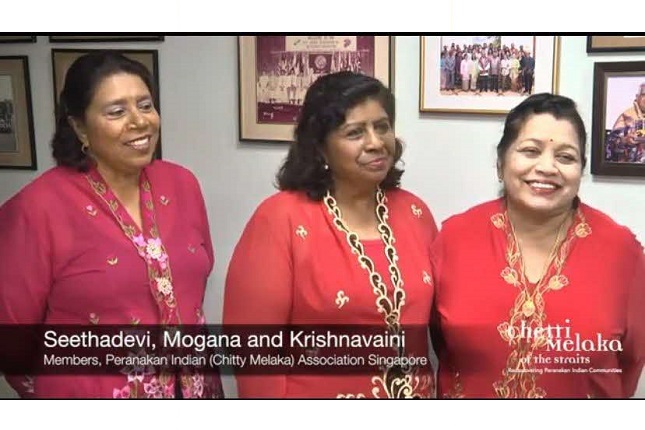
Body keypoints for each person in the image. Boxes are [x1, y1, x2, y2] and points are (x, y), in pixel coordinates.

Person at [0, 51, 222, 398]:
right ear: (78, 126)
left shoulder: (182, 184)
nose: (139, 121)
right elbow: (12, 338)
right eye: (116, 112)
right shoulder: (37, 207)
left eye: (145, 105)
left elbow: (193, 286)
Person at [223, 71, 438, 398]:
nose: (376, 142)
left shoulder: (415, 213)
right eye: (355, 132)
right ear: (320, 148)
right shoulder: (280, 218)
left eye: (382, 126)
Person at [430, 93, 645, 398]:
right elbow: (442, 342)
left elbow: (630, 360)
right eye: (530, 151)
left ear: (580, 170)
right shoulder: (453, 238)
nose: (547, 167)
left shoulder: (622, 251)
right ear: (500, 162)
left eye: (566, 157)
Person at [609, 83, 645, 163]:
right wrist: (625, 140)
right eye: (644, 95)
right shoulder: (627, 116)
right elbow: (611, 144)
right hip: (631, 169)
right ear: (637, 97)